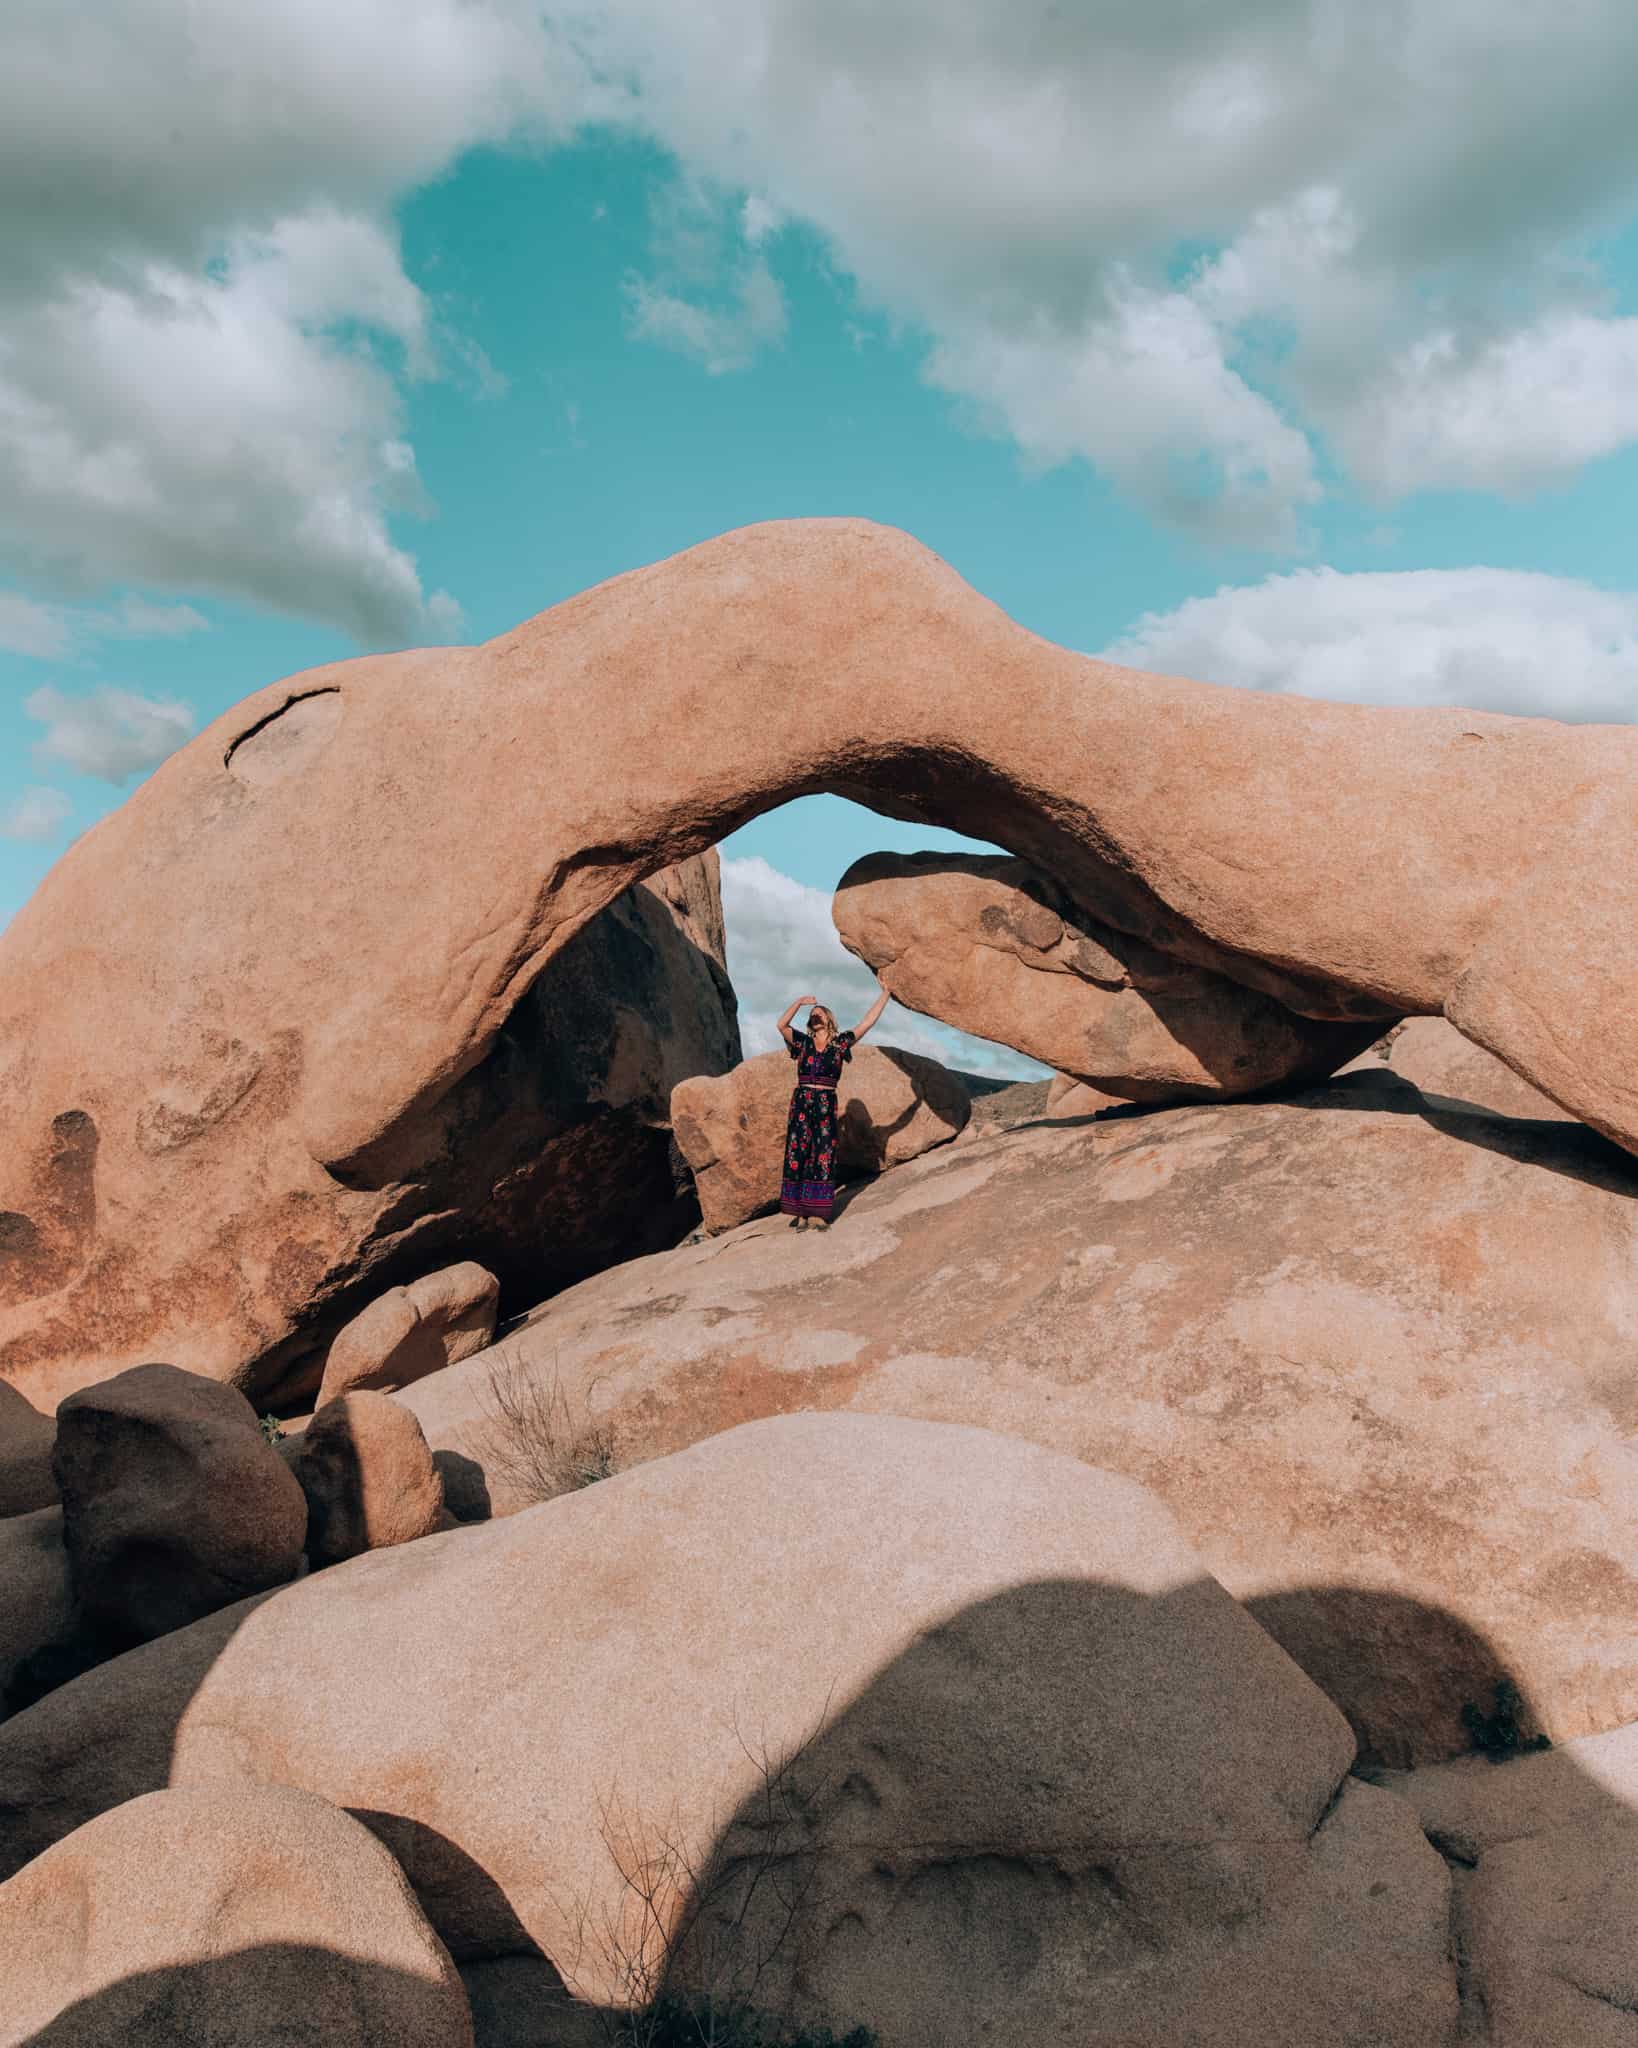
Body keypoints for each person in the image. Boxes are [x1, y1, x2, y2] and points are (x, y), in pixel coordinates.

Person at [776, 981, 890, 1228]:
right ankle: (801, 1211)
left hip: (827, 1101)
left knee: (823, 1153)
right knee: (799, 1152)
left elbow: (867, 1022)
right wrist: (798, 1003)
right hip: (802, 1101)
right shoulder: (802, 1042)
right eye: (812, 1015)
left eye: (819, 1012)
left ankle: (817, 1212)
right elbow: (781, 1025)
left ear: (829, 1019)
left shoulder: (841, 1043)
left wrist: (887, 993)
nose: (815, 1014)